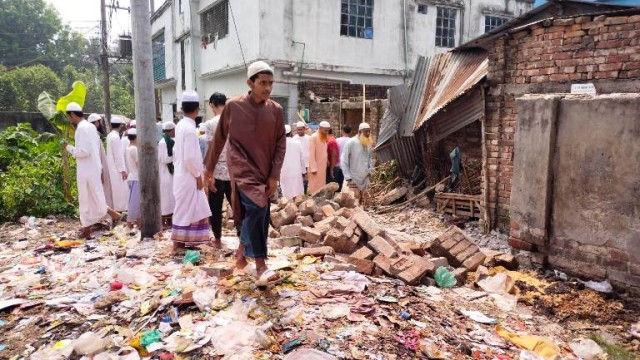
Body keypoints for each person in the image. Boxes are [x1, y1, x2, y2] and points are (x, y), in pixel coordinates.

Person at [205, 60, 286, 286]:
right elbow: (219, 137)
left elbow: (281, 145)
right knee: (258, 206)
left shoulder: (276, 111)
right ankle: (260, 264)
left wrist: (273, 176)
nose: (268, 88)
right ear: (250, 83)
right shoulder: (233, 106)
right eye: (263, 83)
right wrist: (209, 169)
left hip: (264, 170)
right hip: (240, 167)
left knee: (259, 212)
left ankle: (241, 253)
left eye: (271, 83)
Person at [61, 103, 121, 238]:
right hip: (93, 168)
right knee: (94, 197)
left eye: (69, 117)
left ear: (72, 114)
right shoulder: (91, 128)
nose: (70, 120)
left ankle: (90, 228)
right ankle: (109, 217)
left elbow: (83, 152)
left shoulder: (81, 129)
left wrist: (68, 147)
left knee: (86, 199)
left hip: (86, 170)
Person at [171, 91, 212, 252]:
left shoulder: (181, 126)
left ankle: (186, 242)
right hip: (189, 175)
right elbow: (189, 157)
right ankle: (178, 244)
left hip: (182, 173)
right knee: (186, 210)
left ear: (181, 108)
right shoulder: (188, 128)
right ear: (197, 109)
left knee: (192, 208)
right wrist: (197, 175)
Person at [203, 92, 231, 249]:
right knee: (238, 206)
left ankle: (218, 240)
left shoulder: (210, 123)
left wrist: (208, 172)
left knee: (215, 206)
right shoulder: (235, 121)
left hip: (217, 169)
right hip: (234, 170)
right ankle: (243, 241)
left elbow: (211, 149)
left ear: (212, 104)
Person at [341, 122, 374, 206]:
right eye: (365, 131)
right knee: (352, 204)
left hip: (365, 178)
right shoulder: (351, 142)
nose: (368, 134)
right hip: (353, 179)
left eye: (369, 131)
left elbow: (370, 158)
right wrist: (348, 176)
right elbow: (343, 160)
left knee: (364, 204)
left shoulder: (368, 143)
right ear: (359, 132)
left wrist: (370, 171)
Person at [87, 113, 114, 208]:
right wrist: (101, 171)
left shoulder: (93, 135)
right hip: (99, 168)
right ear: (97, 122)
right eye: (100, 122)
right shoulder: (94, 135)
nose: (101, 124)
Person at [106, 116, 129, 212]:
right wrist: (123, 170)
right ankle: (121, 210)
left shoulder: (110, 135)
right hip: (117, 168)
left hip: (112, 167)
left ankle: (117, 210)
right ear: (120, 126)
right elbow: (118, 155)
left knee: (116, 190)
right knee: (121, 190)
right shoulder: (115, 137)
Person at [280, 124, 305, 200]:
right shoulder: (297, 143)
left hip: (284, 171)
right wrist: (304, 172)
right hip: (296, 171)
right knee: (297, 192)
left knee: (286, 193)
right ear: (291, 133)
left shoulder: (278, 144)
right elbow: (302, 159)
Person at [158, 122, 176, 228]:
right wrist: (176, 156)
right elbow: (164, 159)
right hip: (165, 174)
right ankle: (164, 222)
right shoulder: (163, 142)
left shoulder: (169, 141)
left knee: (171, 199)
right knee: (166, 199)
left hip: (170, 174)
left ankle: (170, 222)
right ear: (171, 130)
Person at [307, 121, 330, 194]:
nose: (327, 132)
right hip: (315, 168)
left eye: (328, 130)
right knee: (314, 187)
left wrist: (327, 160)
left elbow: (323, 151)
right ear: (320, 128)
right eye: (325, 130)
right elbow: (311, 154)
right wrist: (313, 168)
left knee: (321, 186)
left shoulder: (323, 137)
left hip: (322, 167)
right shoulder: (314, 137)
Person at [125, 129, 141, 229]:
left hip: (133, 177)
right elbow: (139, 163)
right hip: (136, 178)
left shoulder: (128, 148)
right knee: (134, 202)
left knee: (137, 202)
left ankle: (139, 223)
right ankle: (129, 223)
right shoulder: (133, 149)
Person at [293, 121, 311, 192]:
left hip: (307, 162)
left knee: (306, 179)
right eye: (298, 129)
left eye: (301, 129)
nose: (300, 131)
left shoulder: (309, 138)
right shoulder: (294, 138)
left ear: (304, 129)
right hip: (297, 163)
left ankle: (305, 193)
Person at [335, 125, 352, 191]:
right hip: (347, 165)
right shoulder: (352, 141)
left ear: (342, 131)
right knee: (346, 184)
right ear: (350, 132)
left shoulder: (337, 140)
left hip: (337, 164)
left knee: (337, 183)